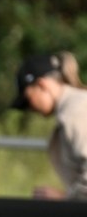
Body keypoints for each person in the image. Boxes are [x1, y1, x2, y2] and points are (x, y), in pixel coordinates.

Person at [12, 51, 87, 200]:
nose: (30, 108)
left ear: (42, 85)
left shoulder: (76, 112)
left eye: (28, 100)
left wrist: (62, 198)